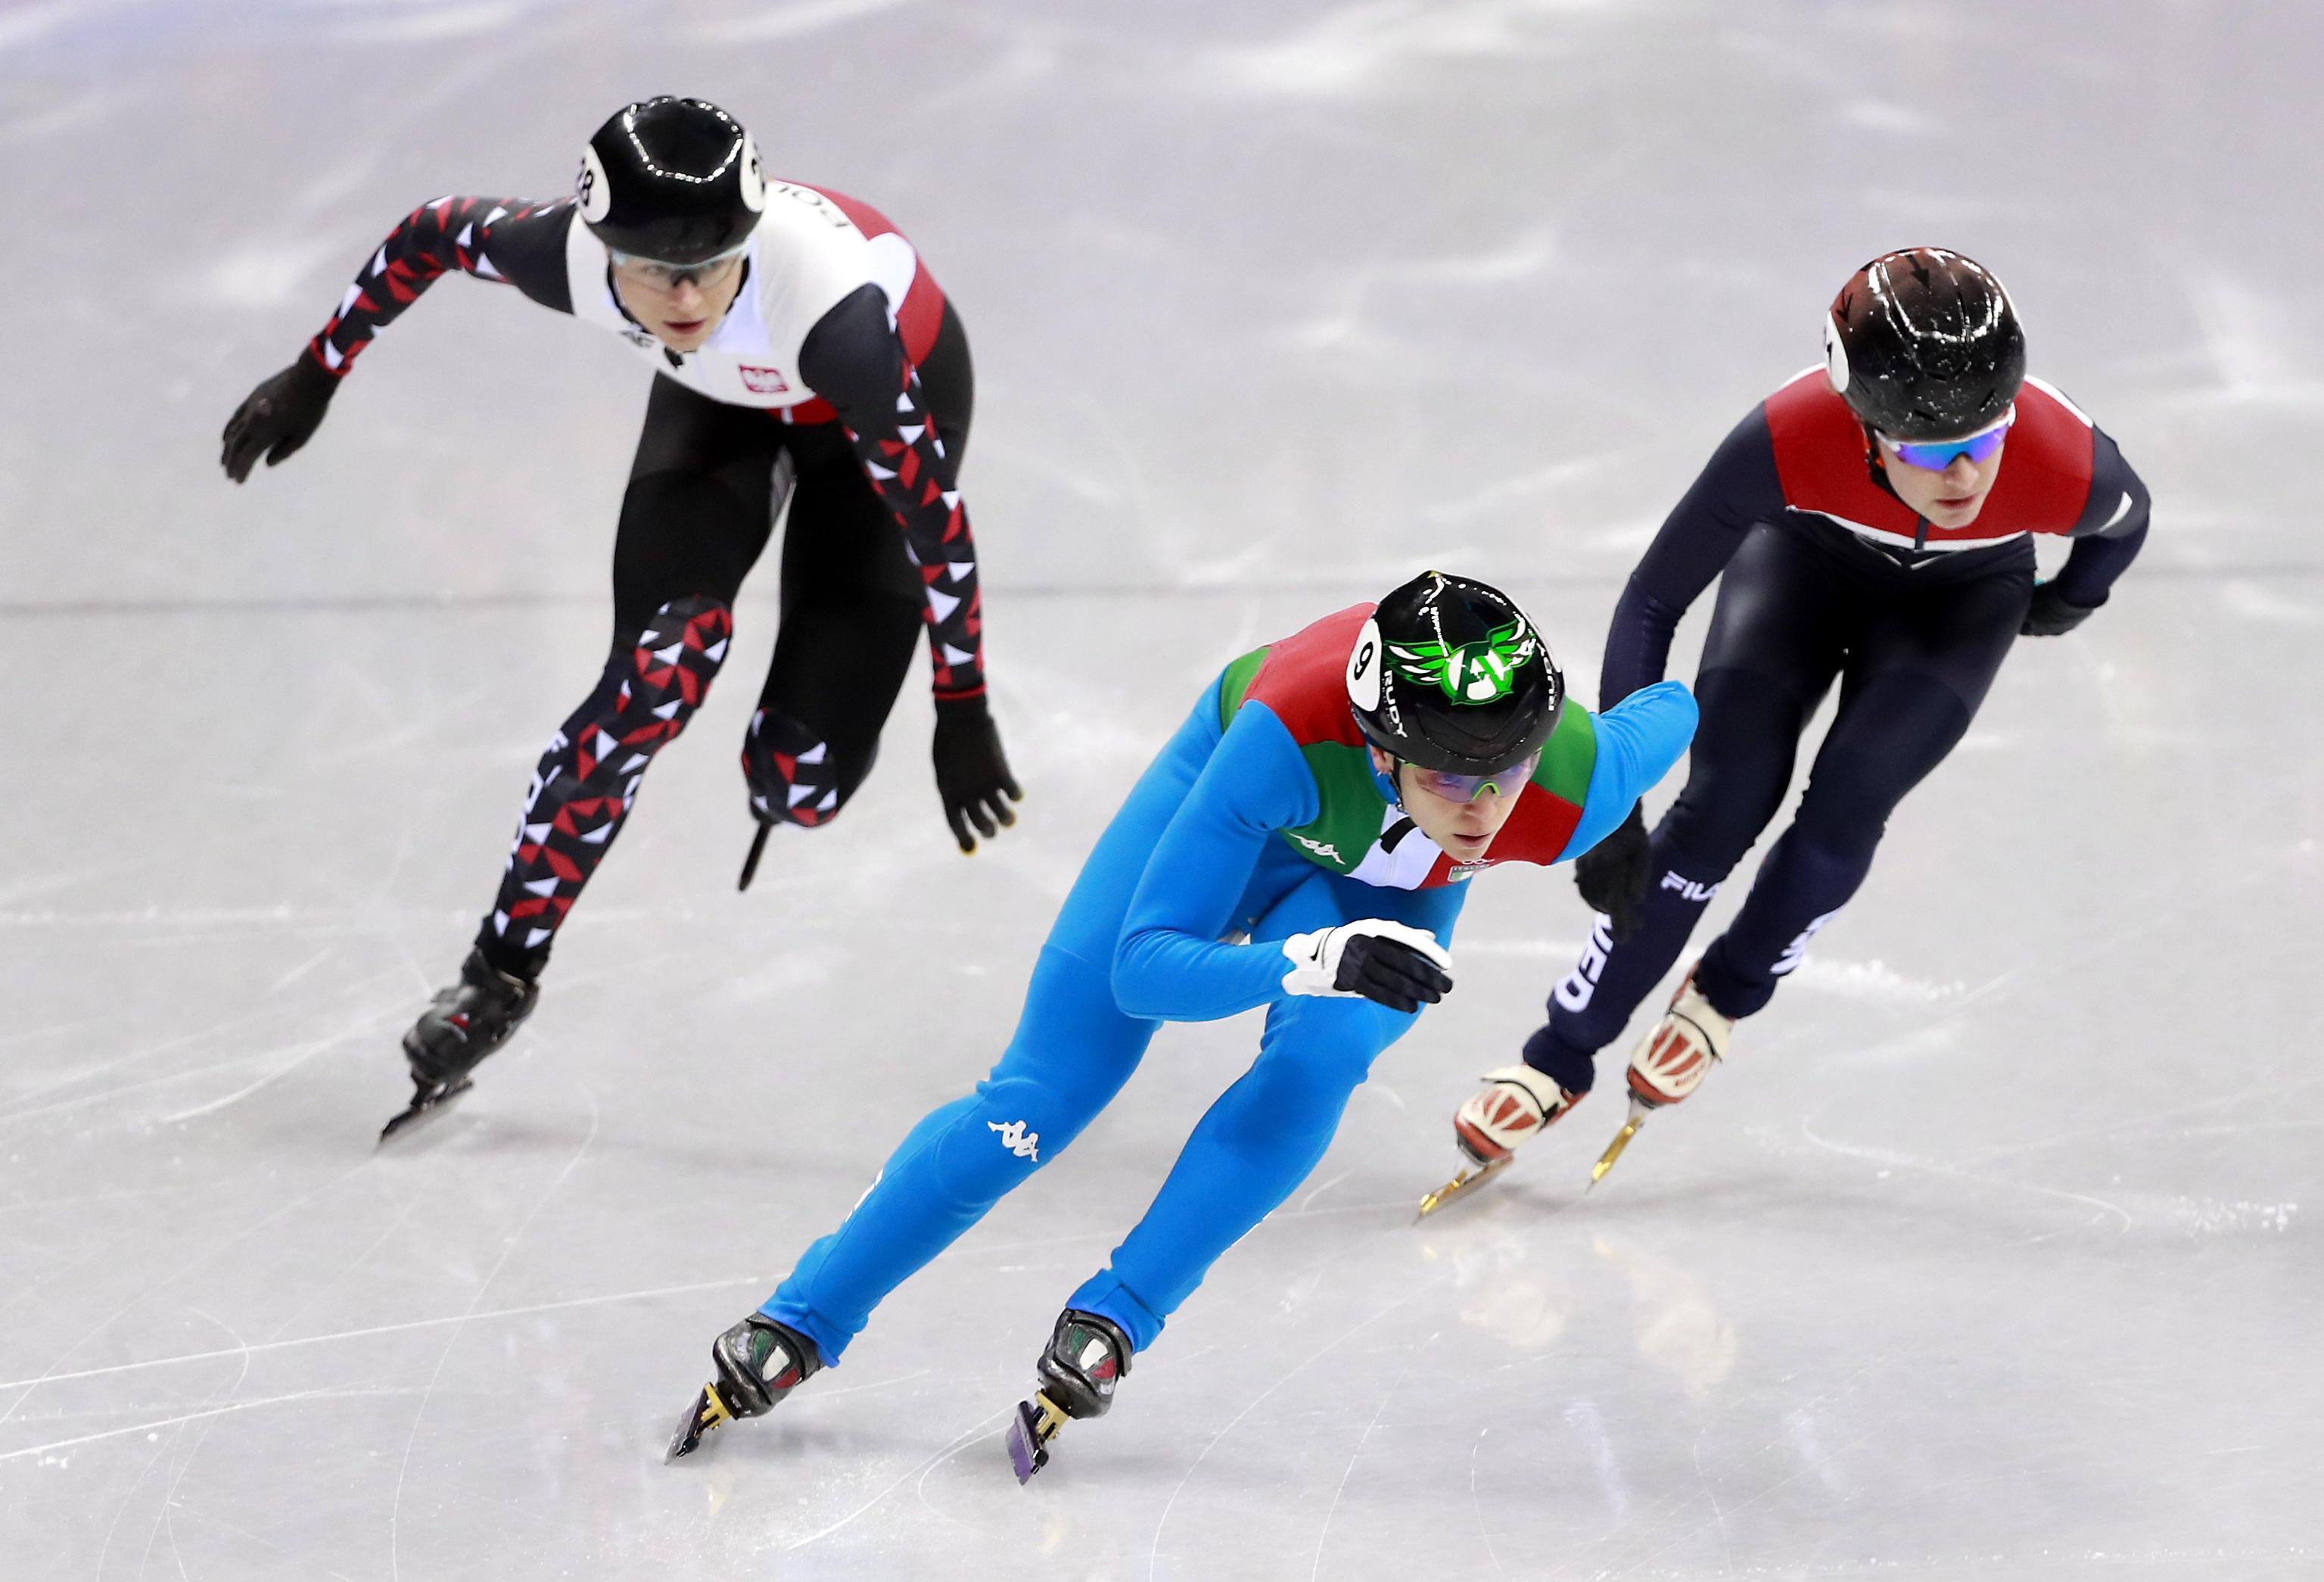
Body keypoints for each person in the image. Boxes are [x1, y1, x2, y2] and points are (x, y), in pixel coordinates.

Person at [662, 571, 1697, 1477]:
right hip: (1239, 825)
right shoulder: (1283, 734)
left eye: (1503, 775)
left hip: (1376, 886)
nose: (1482, 810)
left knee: (1320, 1059)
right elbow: (1142, 971)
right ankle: (799, 1318)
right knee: (1037, 1101)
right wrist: (1303, 956)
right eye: (1446, 778)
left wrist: (1625, 822)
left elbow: (1678, 706)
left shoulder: (1572, 781)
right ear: (1383, 752)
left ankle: (1119, 1313)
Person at [219, 98, 1021, 1132]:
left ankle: (797, 754)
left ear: (748, 238)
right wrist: (315, 373)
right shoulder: (559, 256)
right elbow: (428, 233)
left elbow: (935, 532)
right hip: (722, 412)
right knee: (656, 670)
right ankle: (497, 973)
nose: (681, 297)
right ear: (598, 247)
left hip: (865, 419)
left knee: (799, 782)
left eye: (708, 266)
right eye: (649, 270)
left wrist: (960, 708)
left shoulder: (839, 322)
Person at [1446, 248, 2151, 1183]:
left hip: (1964, 599)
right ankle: (1557, 1053)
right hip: (1803, 566)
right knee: (1718, 805)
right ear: (1860, 426)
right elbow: (1652, 603)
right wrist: (1611, 798)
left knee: (1849, 801)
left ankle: (1727, 991)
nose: (1965, 475)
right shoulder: (1784, 438)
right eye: (1932, 452)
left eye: (1985, 438)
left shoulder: (2060, 460)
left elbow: (2126, 522)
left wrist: (2070, 599)